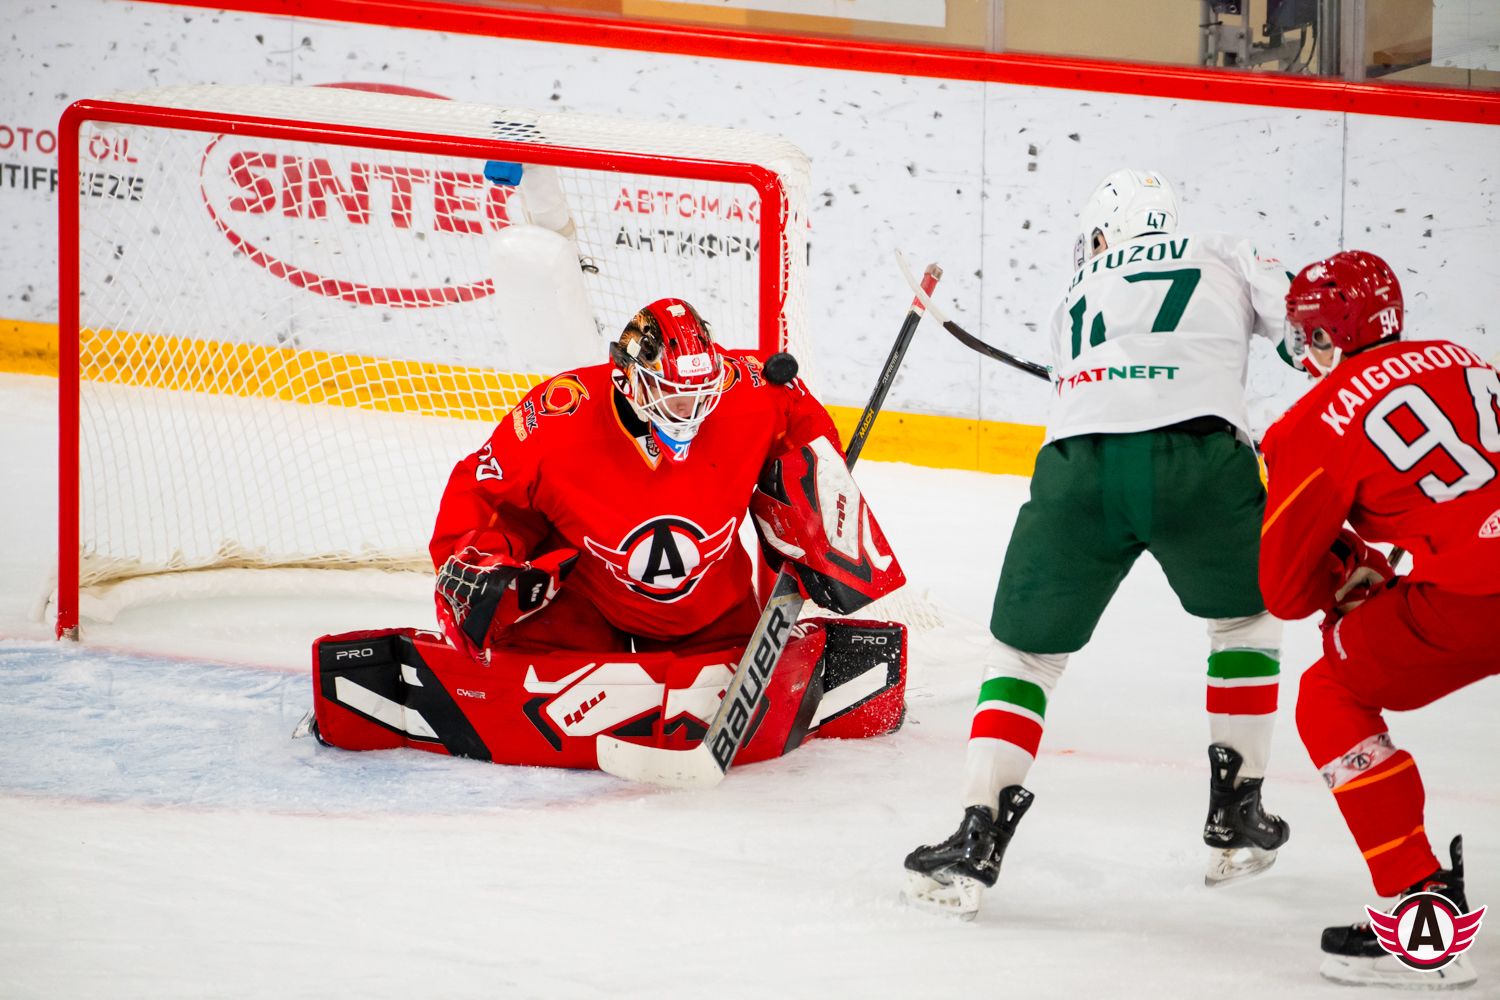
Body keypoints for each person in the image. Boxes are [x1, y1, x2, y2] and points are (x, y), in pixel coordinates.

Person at [904, 168, 1295, 917]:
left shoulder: (1073, 293)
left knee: (1024, 657)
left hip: (1078, 468)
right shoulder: (1223, 248)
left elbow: (1092, 388)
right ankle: (1237, 812)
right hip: (1202, 460)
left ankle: (976, 836)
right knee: (1246, 620)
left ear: (1105, 234)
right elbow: (1304, 335)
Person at [307, 298, 908, 768]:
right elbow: (484, 491)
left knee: (725, 639)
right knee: (530, 622)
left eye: (702, 395)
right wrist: (477, 561)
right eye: (673, 396)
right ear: (629, 381)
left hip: (709, 607)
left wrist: (820, 513)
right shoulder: (557, 415)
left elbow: (798, 421)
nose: (692, 413)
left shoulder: (749, 391)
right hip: (584, 601)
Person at [1260, 250, 1499, 989]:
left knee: (1329, 693)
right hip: (1471, 572)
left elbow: (1285, 593)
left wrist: (1343, 563)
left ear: (1324, 336)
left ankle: (1424, 921)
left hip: (1478, 599)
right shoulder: (1466, 359)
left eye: (1306, 337)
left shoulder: (1312, 421)